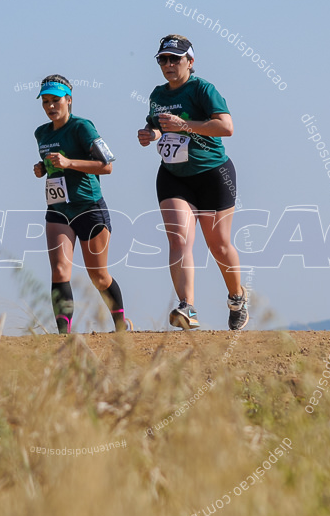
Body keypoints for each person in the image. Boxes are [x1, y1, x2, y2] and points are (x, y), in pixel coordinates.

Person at [136, 35, 248, 330]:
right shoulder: (158, 94)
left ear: (190, 62)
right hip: (174, 176)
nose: (169, 64)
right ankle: (188, 307)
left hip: (213, 173)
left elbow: (226, 127)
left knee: (219, 245)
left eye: (175, 59)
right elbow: (157, 126)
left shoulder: (202, 89)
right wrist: (151, 135)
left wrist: (186, 125)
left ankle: (237, 298)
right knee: (179, 240)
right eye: (163, 59)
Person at [33, 75, 129, 334]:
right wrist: (43, 168)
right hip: (58, 209)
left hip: (89, 207)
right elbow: (53, 165)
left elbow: (107, 166)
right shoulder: (41, 133)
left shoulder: (82, 127)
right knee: (60, 269)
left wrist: (69, 162)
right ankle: (63, 335)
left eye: (56, 100)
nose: (51, 106)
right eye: (46, 102)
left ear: (69, 100)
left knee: (98, 276)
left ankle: (121, 326)